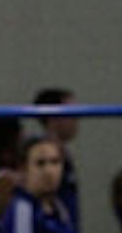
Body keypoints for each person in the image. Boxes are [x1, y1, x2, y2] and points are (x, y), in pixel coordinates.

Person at [4, 136, 108, 233]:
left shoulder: (59, 207)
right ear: (23, 169)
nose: (49, 171)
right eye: (40, 164)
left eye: (55, 162)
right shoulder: (23, 210)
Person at [31, 85, 84, 225]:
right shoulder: (41, 155)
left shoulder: (64, 154)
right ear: (53, 117)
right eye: (71, 113)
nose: (77, 119)